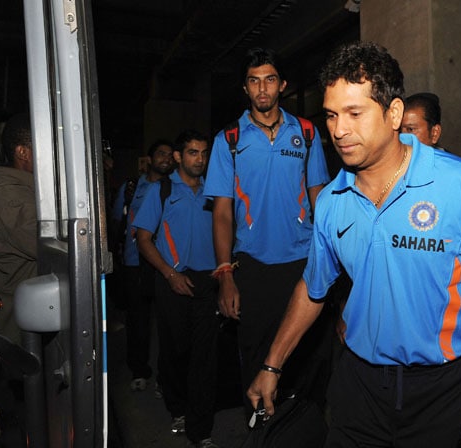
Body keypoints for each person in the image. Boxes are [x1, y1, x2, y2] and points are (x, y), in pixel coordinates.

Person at [248, 41, 461, 448]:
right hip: (359, 388)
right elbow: (312, 289)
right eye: (332, 115)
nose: (338, 130)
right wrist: (272, 364)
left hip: (448, 390)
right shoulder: (333, 200)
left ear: (394, 114)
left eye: (355, 113)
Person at [205, 47, 331, 412]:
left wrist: (329, 258)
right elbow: (222, 214)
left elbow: (319, 198)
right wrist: (225, 274)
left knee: (306, 359)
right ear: (245, 88)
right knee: (258, 358)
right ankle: (260, 431)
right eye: (254, 81)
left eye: (270, 80)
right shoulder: (227, 140)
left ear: (283, 85)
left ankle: (303, 433)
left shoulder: (306, 133)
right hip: (253, 266)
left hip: (302, 262)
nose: (262, 89)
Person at [134, 130, 219, 448]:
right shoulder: (162, 190)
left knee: (205, 356)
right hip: (173, 280)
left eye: (204, 153)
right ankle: (176, 405)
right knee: (175, 351)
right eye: (194, 153)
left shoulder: (215, 192)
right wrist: (170, 275)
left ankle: (200, 428)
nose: (201, 159)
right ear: (180, 157)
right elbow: (143, 240)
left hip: (207, 282)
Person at [111, 140, 174, 393]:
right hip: (135, 262)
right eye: (161, 154)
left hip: (166, 263)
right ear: (150, 159)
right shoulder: (132, 187)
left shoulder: (174, 187)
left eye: (170, 155)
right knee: (138, 320)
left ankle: (166, 376)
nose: (166, 159)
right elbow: (117, 221)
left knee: (169, 322)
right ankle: (139, 369)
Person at [0, 113, 37, 345]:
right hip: (17, 327)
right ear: (22, 152)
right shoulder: (9, 193)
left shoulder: (24, 189)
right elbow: (45, 242)